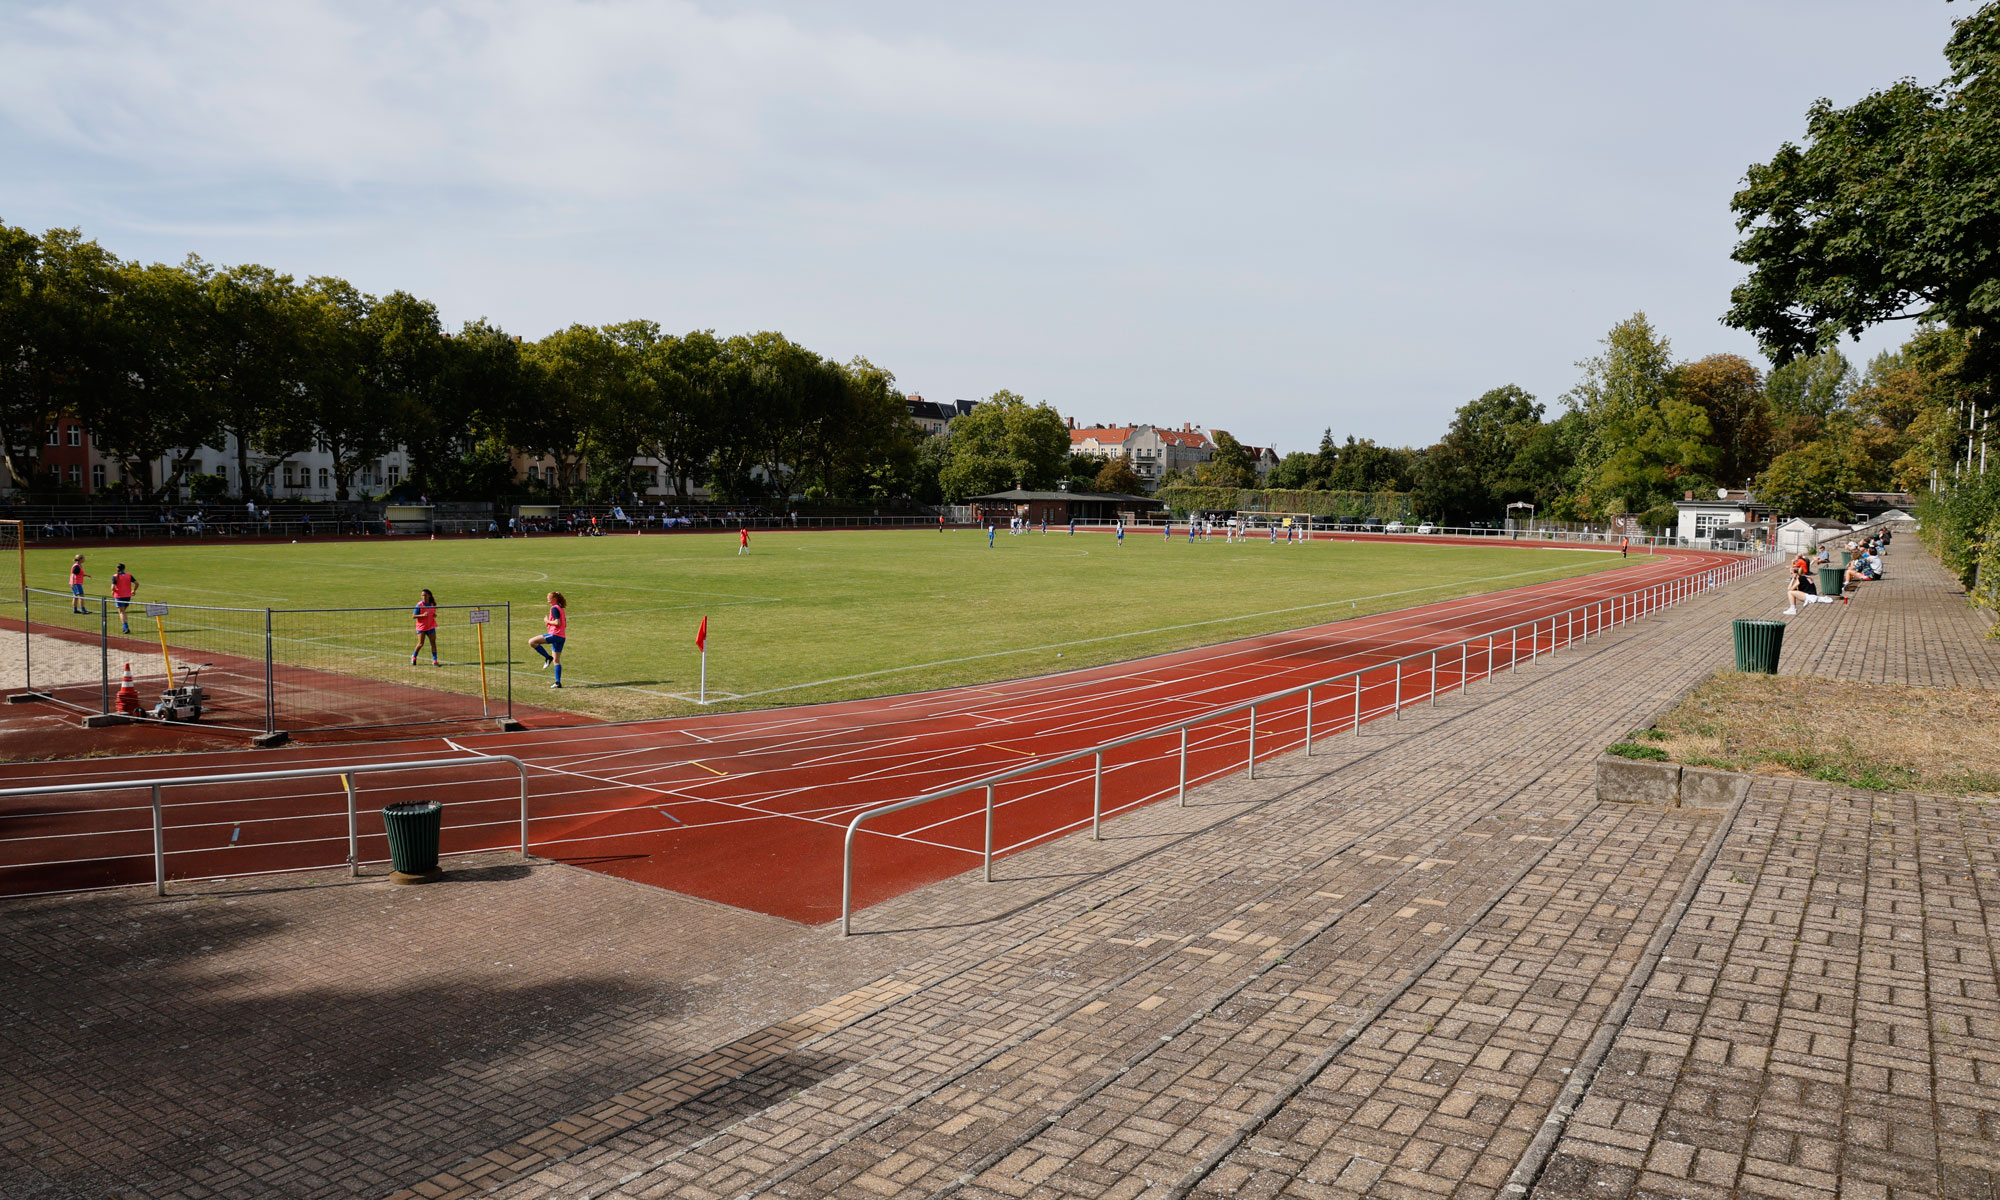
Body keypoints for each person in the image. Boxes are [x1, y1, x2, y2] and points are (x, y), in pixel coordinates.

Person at [528, 591, 567, 688]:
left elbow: (557, 622)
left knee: (532, 642)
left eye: (549, 599)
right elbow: (564, 624)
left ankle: (547, 657)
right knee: (556, 661)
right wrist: (549, 624)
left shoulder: (554, 608)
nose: (548, 601)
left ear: (554, 599)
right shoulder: (561, 609)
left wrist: (547, 621)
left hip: (554, 635)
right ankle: (558, 682)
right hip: (561, 637)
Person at [410, 588, 441, 665]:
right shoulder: (419, 605)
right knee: (421, 643)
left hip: (431, 626)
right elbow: (413, 616)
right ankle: (414, 656)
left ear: (429, 596)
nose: (423, 596)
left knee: (433, 643)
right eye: (422, 595)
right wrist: (422, 615)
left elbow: (433, 613)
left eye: (425, 595)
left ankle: (435, 660)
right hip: (422, 627)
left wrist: (434, 615)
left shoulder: (432, 604)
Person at [110, 563, 137, 634]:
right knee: (123, 612)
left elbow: (112, 587)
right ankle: (124, 626)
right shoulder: (129, 575)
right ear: (124, 568)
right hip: (127, 596)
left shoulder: (115, 576)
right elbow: (137, 583)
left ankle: (126, 628)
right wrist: (134, 590)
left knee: (121, 612)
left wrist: (113, 591)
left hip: (119, 596)